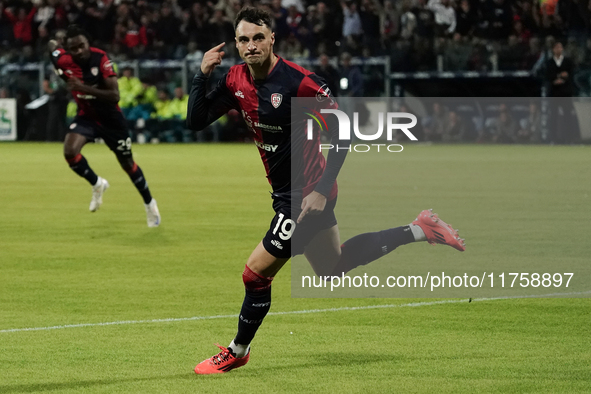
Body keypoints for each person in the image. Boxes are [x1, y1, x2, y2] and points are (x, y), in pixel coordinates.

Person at [187, 6, 465, 375]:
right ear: (236, 44)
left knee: (255, 274)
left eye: (258, 37)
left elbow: (343, 133)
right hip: (288, 193)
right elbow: (195, 121)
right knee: (332, 268)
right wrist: (200, 75)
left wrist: (319, 191)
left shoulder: (301, 83)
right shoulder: (236, 79)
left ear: (272, 39)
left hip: (306, 197)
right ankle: (420, 228)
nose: (251, 45)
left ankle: (238, 350)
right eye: (243, 39)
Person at [49, 25, 161, 227]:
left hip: (112, 121)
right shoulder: (62, 59)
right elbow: (52, 50)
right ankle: (97, 183)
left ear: (88, 43)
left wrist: (81, 87)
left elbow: (114, 96)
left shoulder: (100, 59)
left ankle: (149, 204)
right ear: (68, 48)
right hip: (87, 116)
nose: (80, 51)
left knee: (128, 165)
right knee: (70, 151)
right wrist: (61, 71)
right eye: (74, 48)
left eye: (82, 45)